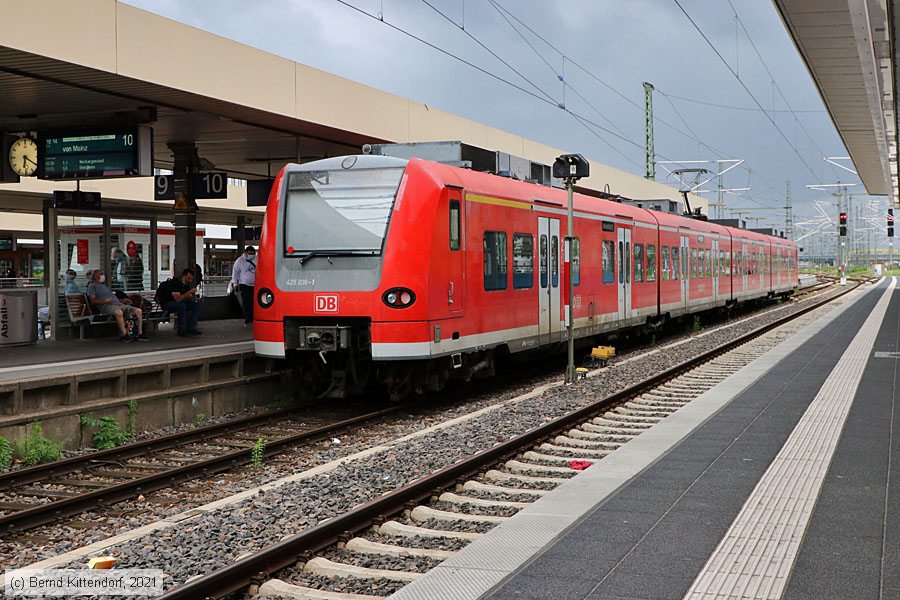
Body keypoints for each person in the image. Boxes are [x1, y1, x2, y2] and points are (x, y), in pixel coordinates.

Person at [86, 269, 148, 342]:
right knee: (119, 312)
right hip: (106, 306)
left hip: (118, 304)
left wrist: (123, 300)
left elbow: (113, 298)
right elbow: (93, 301)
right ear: (96, 276)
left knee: (138, 311)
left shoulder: (103, 286)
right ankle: (124, 334)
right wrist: (105, 301)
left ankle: (139, 333)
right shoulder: (92, 287)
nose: (103, 275)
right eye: (101, 274)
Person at [156, 268, 201, 338]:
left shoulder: (185, 285)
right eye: (188, 278)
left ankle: (191, 327)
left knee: (195, 305)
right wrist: (189, 292)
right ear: (184, 276)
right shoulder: (175, 283)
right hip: (167, 303)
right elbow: (178, 299)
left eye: (191, 279)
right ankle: (181, 329)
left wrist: (191, 297)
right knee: (182, 305)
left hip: (179, 303)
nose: (190, 280)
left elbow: (184, 296)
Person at [231, 245, 256, 324]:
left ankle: (254, 316)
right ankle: (248, 317)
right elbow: (235, 273)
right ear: (245, 253)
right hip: (244, 284)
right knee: (247, 302)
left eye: (252, 253)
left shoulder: (257, 259)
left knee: (255, 301)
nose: (251, 255)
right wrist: (235, 283)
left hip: (256, 284)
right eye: (249, 253)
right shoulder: (240, 261)